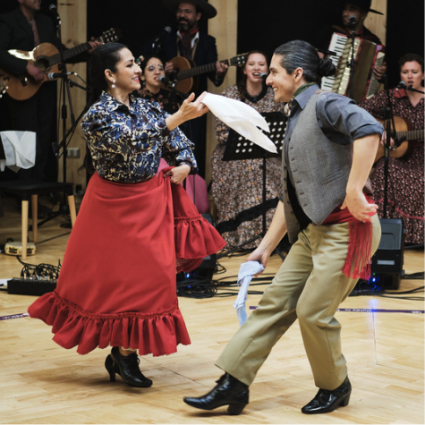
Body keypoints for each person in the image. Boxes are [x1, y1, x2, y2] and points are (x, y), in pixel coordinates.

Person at [183, 40, 383, 415]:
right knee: (274, 304)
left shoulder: (325, 103)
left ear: (297, 74)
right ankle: (234, 383)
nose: (266, 77)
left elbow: (370, 130)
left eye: (274, 71)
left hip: (346, 232)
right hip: (312, 234)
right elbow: (291, 194)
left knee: (311, 312)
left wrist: (354, 189)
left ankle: (335, 385)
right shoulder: (293, 114)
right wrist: (265, 245)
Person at [28, 42, 225, 388]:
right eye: (131, 64)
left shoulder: (148, 107)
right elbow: (132, 141)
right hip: (110, 208)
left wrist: (182, 164)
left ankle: (126, 354)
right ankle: (123, 354)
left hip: (150, 203)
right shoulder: (97, 115)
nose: (139, 70)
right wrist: (175, 118)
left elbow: (178, 141)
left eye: (137, 64)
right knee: (114, 286)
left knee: (150, 281)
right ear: (110, 74)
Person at [0, 0, 100, 182]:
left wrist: (87, 51)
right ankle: (24, 194)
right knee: (24, 141)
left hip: (45, 89)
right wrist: (25, 67)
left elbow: (59, 53)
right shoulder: (8, 20)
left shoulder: (46, 22)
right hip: (20, 88)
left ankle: (37, 191)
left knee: (44, 139)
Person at [139, 0, 229, 177]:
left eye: (187, 11)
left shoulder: (207, 42)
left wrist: (219, 73)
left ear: (198, 16)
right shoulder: (166, 38)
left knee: (192, 145)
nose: (182, 15)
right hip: (167, 102)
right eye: (180, 11)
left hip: (194, 105)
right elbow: (150, 63)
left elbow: (215, 80)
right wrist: (164, 67)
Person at [211, 50, 284, 249]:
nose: (257, 68)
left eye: (261, 65)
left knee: (265, 170)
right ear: (244, 69)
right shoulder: (229, 95)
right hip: (232, 156)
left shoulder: (275, 96)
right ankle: (241, 238)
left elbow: (280, 133)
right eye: (252, 64)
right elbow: (221, 133)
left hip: (267, 156)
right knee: (250, 168)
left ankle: (268, 239)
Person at [359, 53, 424, 245]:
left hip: (422, 156)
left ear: (423, 74)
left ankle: (417, 238)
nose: (410, 76)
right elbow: (359, 110)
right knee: (385, 172)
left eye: (414, 72)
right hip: (398, 157)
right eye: (405, 72)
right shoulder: (391, 97)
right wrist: (379, 129)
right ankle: (388, 237)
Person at [315, 0, 386, 82]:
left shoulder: (373, 41)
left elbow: (381, 75)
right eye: (345, 9)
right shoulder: (329, 33)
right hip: (327, 92)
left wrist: (382, 72)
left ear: (363, 15)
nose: (345, 13)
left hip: (358, 94)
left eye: (351, 10)